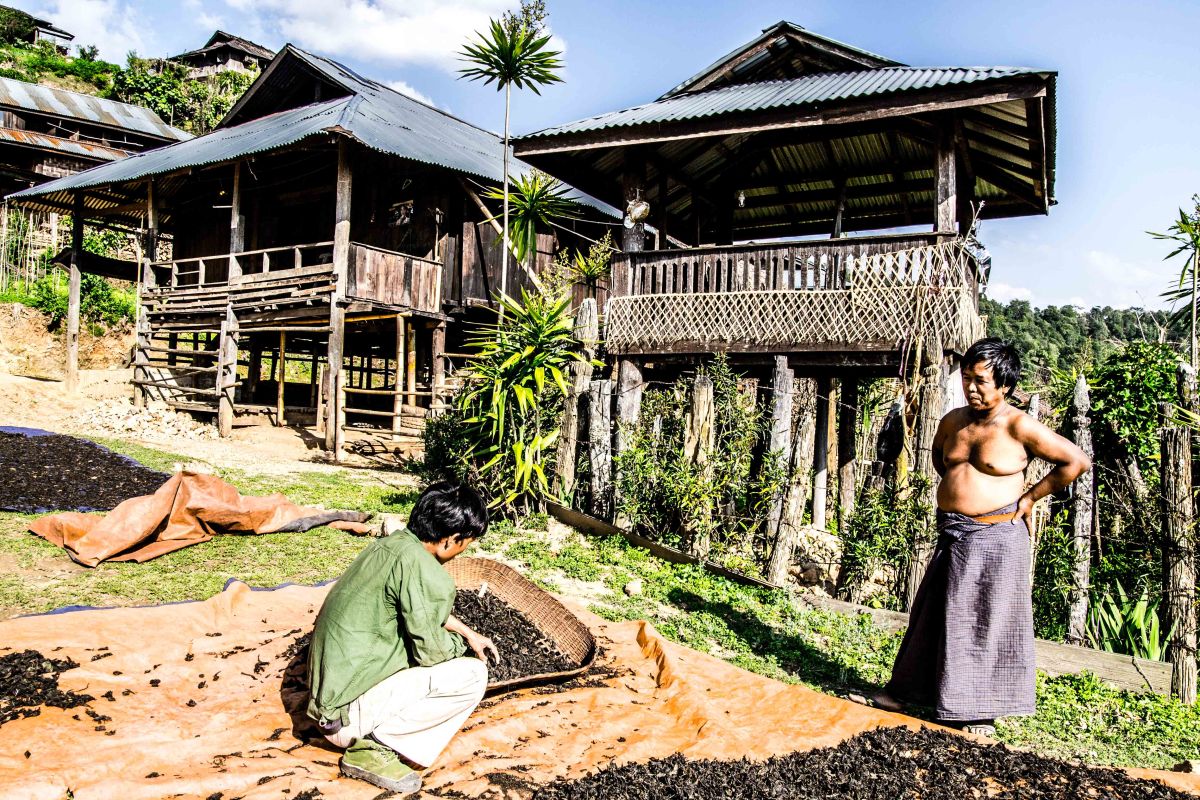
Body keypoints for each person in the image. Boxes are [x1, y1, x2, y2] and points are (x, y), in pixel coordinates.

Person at [873, 338, 1090, 735]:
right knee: (933, 615)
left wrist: (1030, 497)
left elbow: (1075, 462)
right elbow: (942, 462)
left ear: (1004, 385)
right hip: (953, 533)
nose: (971, 388)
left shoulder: (1018, 425)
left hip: (996, 536)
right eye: (967, 378)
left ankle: (976, 711)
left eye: (981, 381)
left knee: (983, 620)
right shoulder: (953, 420)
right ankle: (908, 692)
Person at [306, 482, 498, 794]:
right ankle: (372, 750)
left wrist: (466, 630)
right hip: (343, 720)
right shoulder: (426, 571)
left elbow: (414, 605)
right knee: (473, 675)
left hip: (326, 699)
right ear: (451, 540)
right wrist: (460, 646)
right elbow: (431, 654)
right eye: (468, 543)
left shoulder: (393, 546)